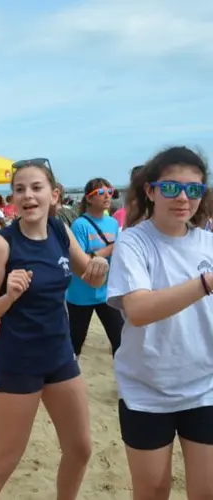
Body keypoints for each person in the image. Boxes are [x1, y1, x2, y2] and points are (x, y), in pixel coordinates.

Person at [0, 159, 109, 500]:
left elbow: (89, 274)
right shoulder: (1, 245)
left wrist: (100, 264)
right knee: (6, 459)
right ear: (12, 199)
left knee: (80, 449)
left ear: (54, 194)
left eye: (36, 187)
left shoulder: (60, 232)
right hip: (19, 361)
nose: (28, 195)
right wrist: (9, 296)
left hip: (60, 356)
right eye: (20, 189)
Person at [107, 146, 213, 499]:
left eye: (193, 189)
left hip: (204, 386)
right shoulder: (134, 242)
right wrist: (204, 283)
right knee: (152, 490)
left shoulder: (209, 243)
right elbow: (138, 309)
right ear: (150, 191)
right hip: (146, 390)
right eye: (171, 188)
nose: (183, 197)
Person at [67, 178, 123, 357]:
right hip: (81, 294)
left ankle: (124, 381)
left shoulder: (113, 223)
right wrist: (109, 249)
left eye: (110, 191)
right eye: (100, 192)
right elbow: (79, 261)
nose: (107, 196)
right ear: (88, 199)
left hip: (107, 292)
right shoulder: (80, 225)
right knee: (75, 342)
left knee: (120, 340)